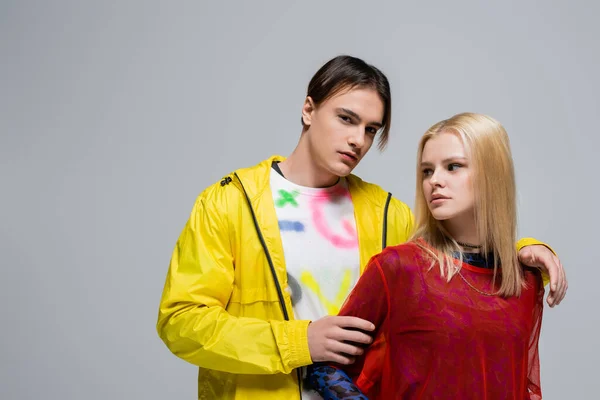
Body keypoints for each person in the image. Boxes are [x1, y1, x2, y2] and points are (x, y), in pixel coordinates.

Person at [156, 56, 567, 400]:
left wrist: (523, 249)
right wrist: (299, 342)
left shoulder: (388, 212)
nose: (358, 140)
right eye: (346, 118)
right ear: (308, 109)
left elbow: (456, 259)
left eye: (371, 129)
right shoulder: (230, 202)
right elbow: (181, 322)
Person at [308, 113, 549, 399]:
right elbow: (325, 365)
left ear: (492, 174)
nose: (435, 181)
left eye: (453, 166)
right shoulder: (399, 267)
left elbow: (523, 386)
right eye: (427, 171)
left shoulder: (526, 281)